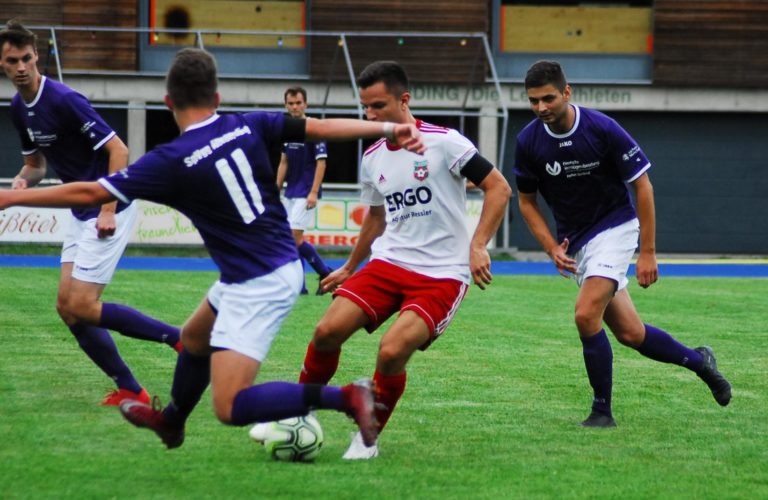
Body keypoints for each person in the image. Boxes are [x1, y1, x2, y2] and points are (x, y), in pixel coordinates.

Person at [0, 48, 427, 449]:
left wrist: (13, 196)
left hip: (259, 280)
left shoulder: (170, 160)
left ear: (168, 102)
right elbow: (322, 128)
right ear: (217, 96)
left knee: (230, 406)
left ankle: (348, 397)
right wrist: (390, 127)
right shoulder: (249, 123)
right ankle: (172, 420)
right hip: (263, 268)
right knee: (194, 337)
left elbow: (90, 192)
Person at [258, 60, 511, 459]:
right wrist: (348, 267)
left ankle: (368, 437)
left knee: (392, 352)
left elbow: (498, 188)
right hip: (389, 263)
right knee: (326, 332)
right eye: (365, 108)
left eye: (378, 106)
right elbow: (376, 219)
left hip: (442, 273)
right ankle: (298, 414)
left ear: (403, 100)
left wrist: (478, 244)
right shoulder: (372, 156)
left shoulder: (446, 142)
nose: (370, 116)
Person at [513, 60, 732, 428]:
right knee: (631, 333)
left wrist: (647, 252)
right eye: (533, 101)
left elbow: (643, 185)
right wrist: (551, 246)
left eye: (548, 98)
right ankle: (700, 362)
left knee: (585, 315)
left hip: (616, 226)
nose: (541, 108)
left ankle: (602, 411)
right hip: (579, 242)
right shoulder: (528, 141)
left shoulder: (602, 128)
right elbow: (525, 201)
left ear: (567, 92)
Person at [0, 20, 182, 406]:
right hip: (80, 209)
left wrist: (107, 209)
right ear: (2, 64)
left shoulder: (65, 100)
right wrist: (19, 184)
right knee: (68, 309)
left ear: (37, 58)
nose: (20, 67)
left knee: (81, 305)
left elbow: (119, 151)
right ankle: (131, 389)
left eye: (26, 59)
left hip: (111, 206)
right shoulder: (19, 108)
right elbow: (36, 167)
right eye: (12, 60)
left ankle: (179, 338)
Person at [275, 87, 333, 294]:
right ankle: (300, 286)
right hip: (290, 193)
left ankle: (325, 272)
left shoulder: (314, 128)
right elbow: (283, 162)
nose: (295, 107)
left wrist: (314, 192)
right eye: (291, 103)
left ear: (305, 104)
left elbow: (321, 163)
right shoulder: (286, 130)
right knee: (291, 239)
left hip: (307, 192)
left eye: (298, 103)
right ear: (286, 105)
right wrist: (276, 189)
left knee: (295, 237)